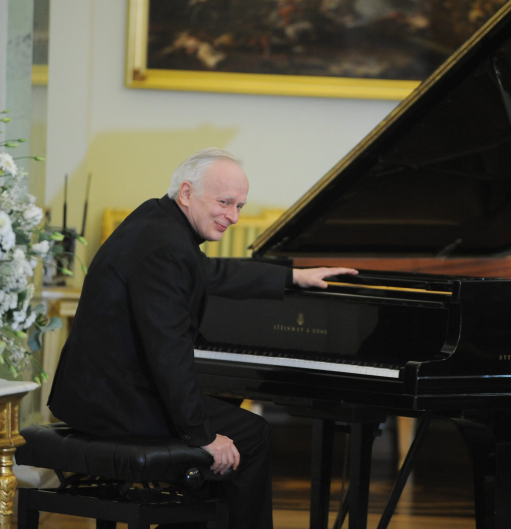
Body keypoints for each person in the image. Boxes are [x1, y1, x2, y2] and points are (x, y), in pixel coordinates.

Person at [47, 148, 357, 529]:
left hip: (95, 393)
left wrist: (292, 276)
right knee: (252, 434)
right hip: (116, 404)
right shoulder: (167, 247)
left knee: (225, 414)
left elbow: (209, 271)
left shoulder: (155, 218)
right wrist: (204, 437)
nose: (234, 216)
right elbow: (168, 354)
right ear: (187, 193)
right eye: (225, 202)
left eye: (240, 205)